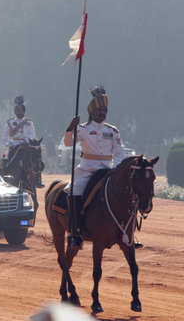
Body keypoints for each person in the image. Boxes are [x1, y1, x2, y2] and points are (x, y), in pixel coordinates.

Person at [64, 85, 125, 250]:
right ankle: (75, 234)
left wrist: (117, 169)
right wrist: (70, 128)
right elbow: (68, 143)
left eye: (105, 110)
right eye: (99, 110)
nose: (102, 113)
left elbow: (120, 153)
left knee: (126, 193)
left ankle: (127, 233)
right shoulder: (83, 129)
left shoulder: (112, 131)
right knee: (75, 190)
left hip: (108, 170)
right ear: (91, 112)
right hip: (86, 170)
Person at [2, 95, 44, 188]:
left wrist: (28, 140)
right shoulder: (11, 122)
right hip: (14, 143)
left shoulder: (29, 122)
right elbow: (5, 135)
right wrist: (8, 143)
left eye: (22, 111)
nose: (20, 113)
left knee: (37, 157)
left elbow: (33, 134)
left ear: (24, 112)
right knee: (7, 157)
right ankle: (3, 173)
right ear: (15, 112)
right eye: (18, 111)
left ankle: (38, 180)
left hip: (27, 143)